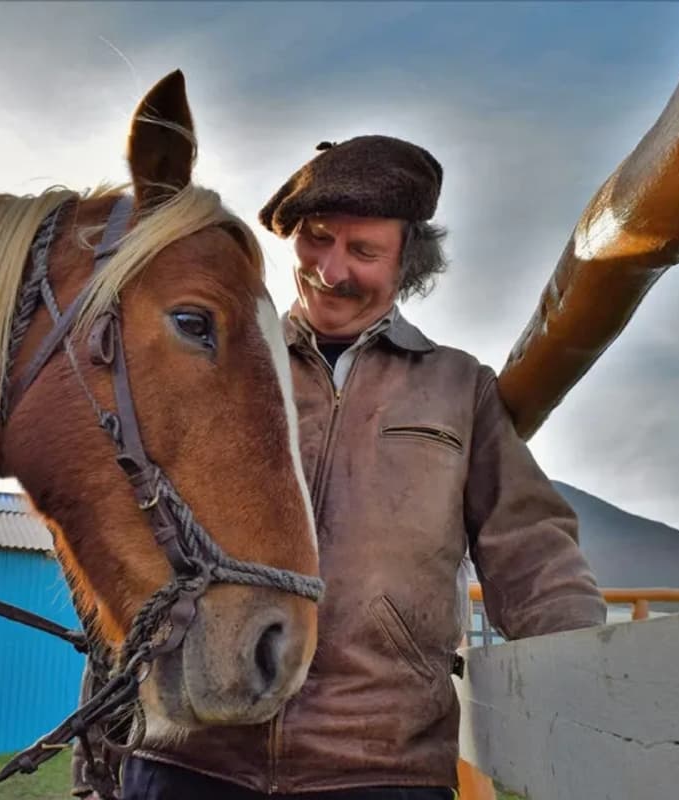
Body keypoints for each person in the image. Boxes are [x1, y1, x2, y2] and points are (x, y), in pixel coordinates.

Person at [74, 135, 607, 800]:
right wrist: (98, 748)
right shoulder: (219, 357)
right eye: (318, 239)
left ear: (408, 262)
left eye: (363, 251)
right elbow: (123, 541)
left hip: (379, 769)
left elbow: (532, 554)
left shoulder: (458, 389)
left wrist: (596, 679)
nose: (330, 270)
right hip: (191, 755)